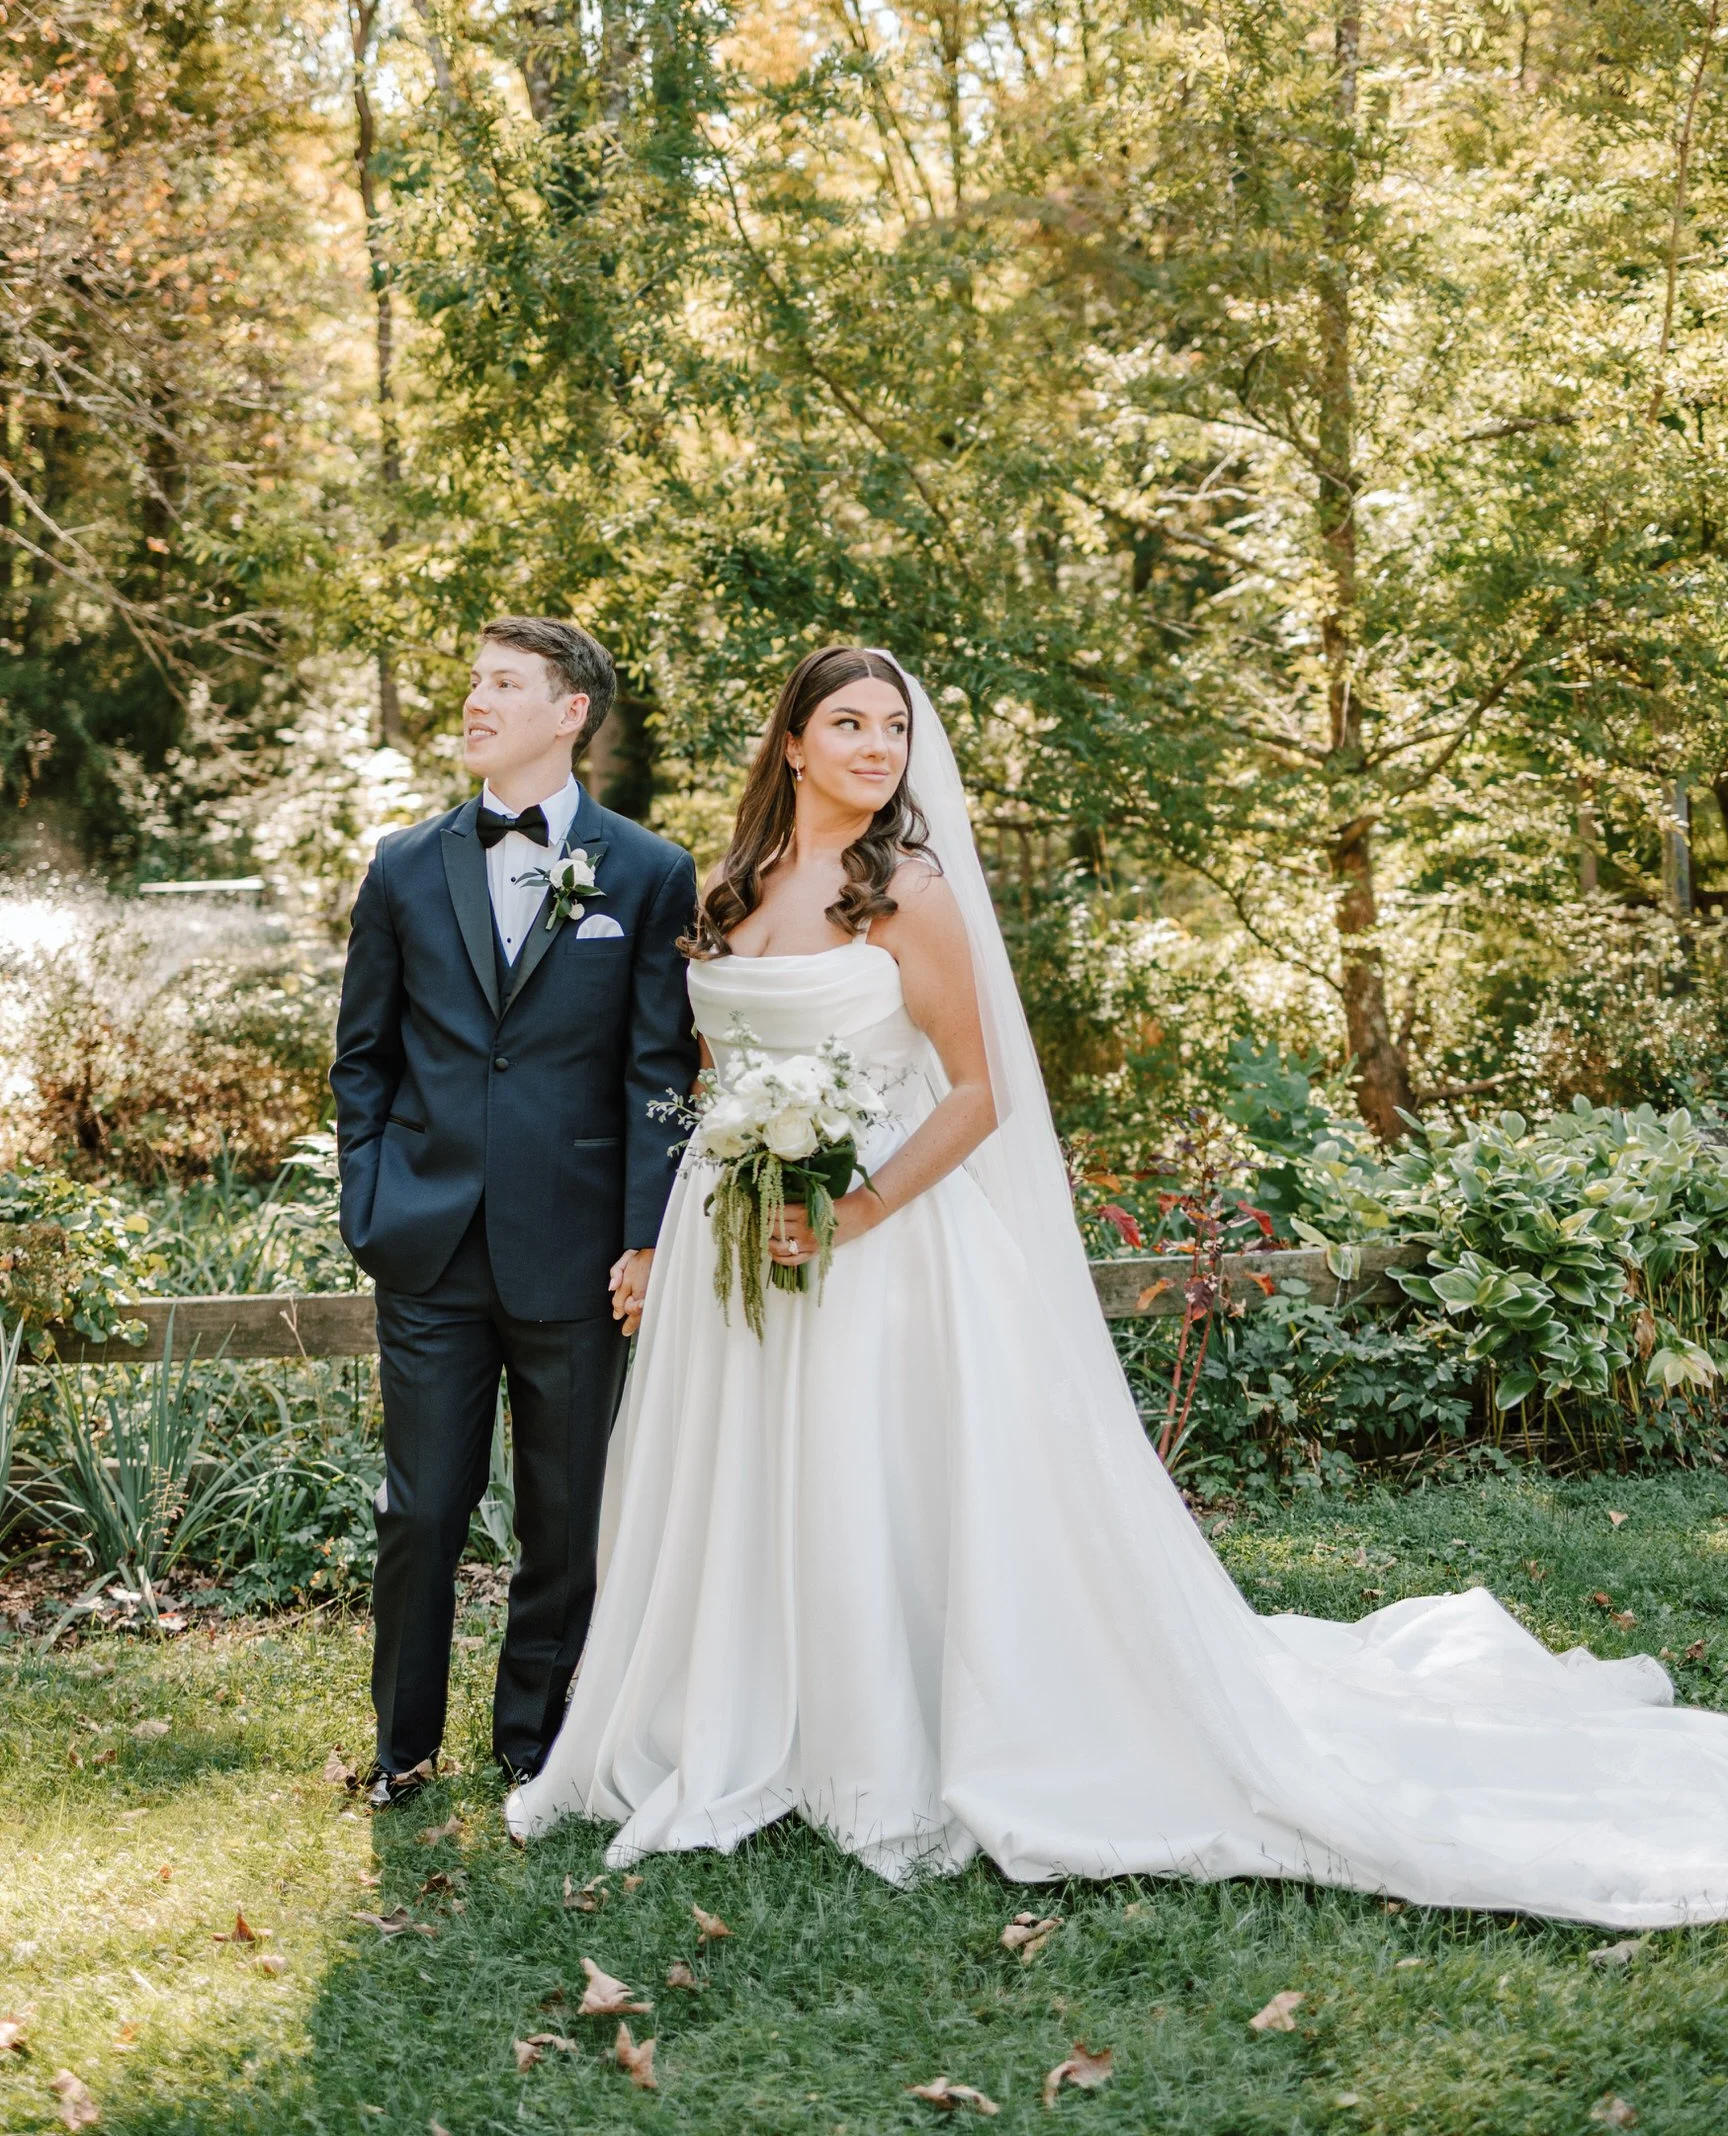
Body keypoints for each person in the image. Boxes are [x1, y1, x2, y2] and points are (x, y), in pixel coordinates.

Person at [504, 643, 1728, 1925]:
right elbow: (715, 1062)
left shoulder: (910, 893)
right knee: (745, 1475)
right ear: (793, 744)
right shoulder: (732, 882)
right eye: (849, 724)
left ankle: (881, 1735)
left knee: (874, 1476)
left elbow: (978, 1095)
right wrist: (728, 1176)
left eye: (897, 731)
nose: (878, 749)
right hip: (740, 1238)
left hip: (881, 1242)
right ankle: (745, 1715)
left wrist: (851, 1207)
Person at [330, 617, 696, 1807]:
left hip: (581, 1249)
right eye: (474, 682)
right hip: (427, 1241)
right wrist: (368, 1200)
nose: (475, 701)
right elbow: (363, 1060)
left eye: (503, 685)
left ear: (568, 712)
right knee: (422, 1509)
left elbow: (658, 1071)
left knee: (565, 1514)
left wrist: (645, 1234)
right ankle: (404, 1745)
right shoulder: (402, 865)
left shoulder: (646, 872)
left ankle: (533, 1744)